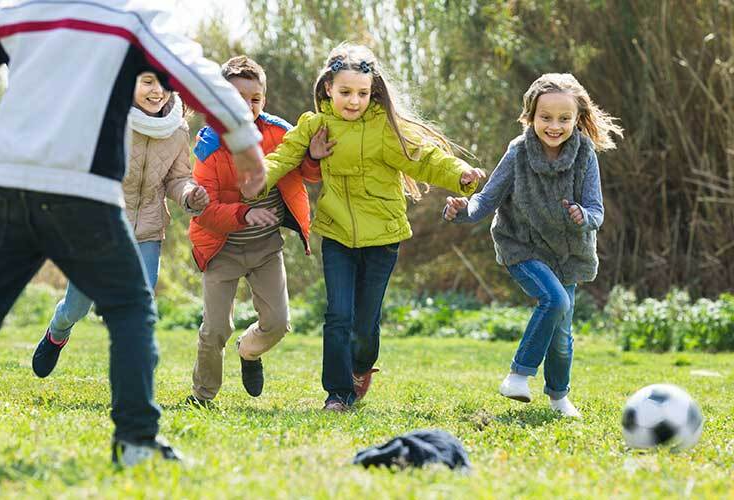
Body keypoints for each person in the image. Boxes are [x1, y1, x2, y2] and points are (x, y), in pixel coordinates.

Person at [0, 0, 264, 467]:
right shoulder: (129, 18)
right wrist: (246, 140)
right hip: (82, 190)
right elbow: (197, 73)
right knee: (131, 309)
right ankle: (136, 441)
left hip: (8, 185)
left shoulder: (20, 14)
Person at [248, 43, 485, 412]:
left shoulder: (387, 129)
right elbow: (284, 155)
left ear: (373, 91)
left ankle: (361, 365)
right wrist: (257, 178)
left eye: (361, 93)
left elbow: (426, 159)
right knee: (338, 315)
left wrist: (461, 174)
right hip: (337, 234)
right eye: (345, 92)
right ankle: (337, 394)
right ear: (328, 88)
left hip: (384, 237)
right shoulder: (316, 125)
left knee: (365, 323)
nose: (354, 101)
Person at [443, 73, 623, 418]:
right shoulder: (518, 153)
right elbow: (487, 200)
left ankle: (558, 397)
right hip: (521, 246)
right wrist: (463, 211)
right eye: (546, 117)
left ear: (577, 119)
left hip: (567, 254)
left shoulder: (585, 155)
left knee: (562, 334)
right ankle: (517, 375)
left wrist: (582, 215)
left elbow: (596, 211)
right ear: (530, 116)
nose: (554, 126)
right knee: (553, 299)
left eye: (564, 118)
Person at [32, 72, 209, 378]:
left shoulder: (177, 130)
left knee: (140, 300)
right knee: (78, 306)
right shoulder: (107, 118)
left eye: (165, 84)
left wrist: (190, 194)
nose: (158, 92)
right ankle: (57, 331)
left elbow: (177, 179)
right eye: (148, 82)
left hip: (147, 232)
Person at [186, 56, 328, 408]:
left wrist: (312, 157)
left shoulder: (280, 132)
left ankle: (248, 353)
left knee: (278, 322)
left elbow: (306, 175)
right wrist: (244, 214)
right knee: (215, 329)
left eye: (255, 99)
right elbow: (204, 213)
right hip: (221, 248)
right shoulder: (208, 147)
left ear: (264, 99)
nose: (248, 106)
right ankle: (203, 396)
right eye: (237, 98)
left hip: (266, 247)